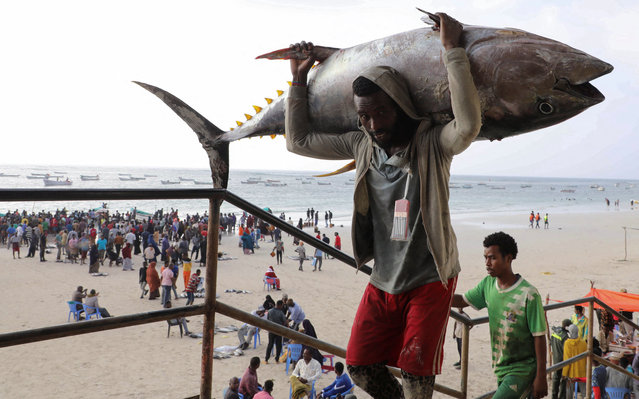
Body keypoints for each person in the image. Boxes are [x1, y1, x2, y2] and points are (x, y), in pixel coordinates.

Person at [286, 13, 481, 398]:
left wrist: (453, 51)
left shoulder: (432, 145)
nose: (373, 123)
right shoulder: (361, 145)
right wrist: (298, 79)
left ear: (400, 105)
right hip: (383, 278)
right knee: (358, 366)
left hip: (430, 277)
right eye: (364, 115)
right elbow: (299, 142)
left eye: (380, 112)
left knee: (415, 377)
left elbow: (468, 126)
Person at [452, 232, 547, 399]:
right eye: (485, 258)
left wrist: (541, 376)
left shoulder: (529, 294)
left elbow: (539, 336)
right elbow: (462, 301)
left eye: (492, 258)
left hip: (523, 369)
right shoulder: (487, 285)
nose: (487, 263)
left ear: (508, 258)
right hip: (500, 367)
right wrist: (432, 296)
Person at [550, 319, 572, 399]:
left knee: (555, 379)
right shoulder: (565, 336)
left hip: (555, 358)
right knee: (564, 379)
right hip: (563, 360)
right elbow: (566, 350)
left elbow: (550, 342)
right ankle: (562, 397)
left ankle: (554, 396)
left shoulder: (555, 332)